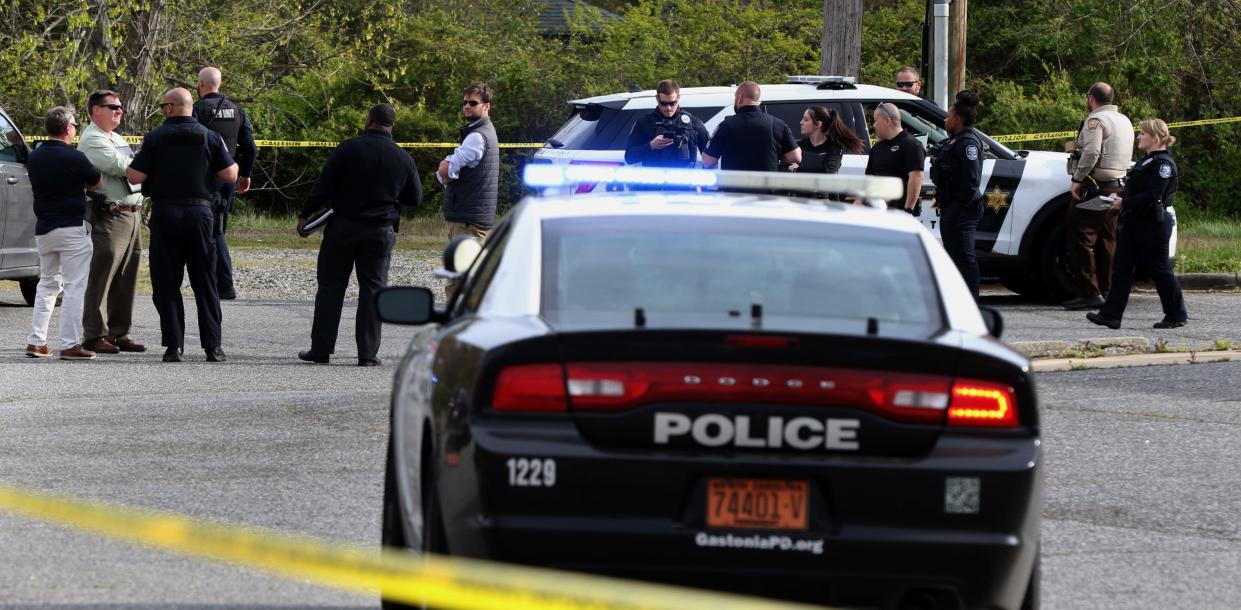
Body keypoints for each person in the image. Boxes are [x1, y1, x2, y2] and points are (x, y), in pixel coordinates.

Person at [297, 104, 422, 366]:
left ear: (370, 120)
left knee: (331, 287)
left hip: (342, 227)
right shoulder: (403, 158)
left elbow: (324, 186)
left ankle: (321, 349)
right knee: (373, 290)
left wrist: (305, 214)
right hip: (380, 230)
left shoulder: (347, 149)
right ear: (391, 126)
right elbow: (415, 197)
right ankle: (367, 353)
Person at [126, 88, 238, 363]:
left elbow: (135, 174)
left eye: (163, 105)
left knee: (167, 282)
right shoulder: (210, 136)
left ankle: (174, 345)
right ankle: (213, 347)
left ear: (170, 108)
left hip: (166, 213)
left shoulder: (154, 138)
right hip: (200, 214)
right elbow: (229, 173)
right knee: (205, 281)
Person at [1087, 119, 1187, 330]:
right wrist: (1118, 197)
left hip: (1153, 223)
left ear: (1155, 137)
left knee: (1159, 269)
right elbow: (1137, 190)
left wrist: (1125, 202)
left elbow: (1154, 195)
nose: (1139, 137)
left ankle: (1176, 315)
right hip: (1134, 221)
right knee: (1121, 268)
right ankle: (1111, 315)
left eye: (1143, 134)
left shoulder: (1163, 165)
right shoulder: (1145, 162)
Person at [24, 106, 103, 360]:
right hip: (70, 227)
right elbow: (97, 182)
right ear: (68, 129)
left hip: (44, 228)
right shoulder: (74, 157)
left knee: (47, 284)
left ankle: (37, 341)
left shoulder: (34, 157)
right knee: (74, 287)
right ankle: (70, 344)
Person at [78, 89, 146, 355]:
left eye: (120, 107)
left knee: (126, 276)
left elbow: (134, 167)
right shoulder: (92, 138)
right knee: (102, 275)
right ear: (96, 110)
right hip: (110, 214)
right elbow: (124, 167)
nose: (119, 111)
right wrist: (144, 162)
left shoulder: (115, 137)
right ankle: (94, 334)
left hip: (132, 213)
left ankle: (120, 332)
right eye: (113, 107)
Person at [1063, 82, 1134, 310]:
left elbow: (1092, 152)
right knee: (1107, 239)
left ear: (1091, 98)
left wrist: (1077, 179)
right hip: (1118, 187)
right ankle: (1107, 288)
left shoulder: (1096, 121)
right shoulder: (1124, 120)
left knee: (1079, 234)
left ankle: (1090, 292)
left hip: (1097, 186)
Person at [193, 67, 256, 301]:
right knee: (218, 227)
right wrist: (245, 175)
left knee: (213, 232)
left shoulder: (196, 110)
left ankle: (222, 283)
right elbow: (249, 147)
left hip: (202, 179)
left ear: (200, 84)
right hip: (228, 178)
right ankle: (219, 282)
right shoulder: (237, 110)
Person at [437, 83, 498, 297]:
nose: (467, 106)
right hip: (474, 218)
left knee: (458, 283)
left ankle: (459, 327)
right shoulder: (484, 132)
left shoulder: (476, 136)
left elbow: (446, 171)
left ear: (486, 106)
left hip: (467, 221)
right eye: (465, 102)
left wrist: (445, 168)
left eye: (473, 103)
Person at [931, 91, 985, 298]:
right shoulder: (955, 141)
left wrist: (957, 208)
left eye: (948, 115)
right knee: (955, 258)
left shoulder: (968, 143)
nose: (945, 119)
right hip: (951, 207)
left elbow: (971, 182)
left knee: (965, 257)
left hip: (962, 211)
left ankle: (971, 301)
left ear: (958, 119)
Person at [701, 81, 801, 171]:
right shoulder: (777, 124)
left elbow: (707, 160)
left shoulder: (725, 126)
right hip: (766, 188)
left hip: (734, 188)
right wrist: (776, 156)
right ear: (757, 100)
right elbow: (796, 157)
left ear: (739, 98)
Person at [624, 79, 710, 169]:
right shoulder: (644, 123)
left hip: (684, 180)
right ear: (657, 98)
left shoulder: (694, 123)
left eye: (672, 103)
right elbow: (629, 157)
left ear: (678, 98)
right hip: (654, 180)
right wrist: (651, 145)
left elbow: (710, 158)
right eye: (664, 103)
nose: (668, 108)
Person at [865, 103, 925, 212]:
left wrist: (908, 210)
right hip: (878, 212)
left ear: (887, 121)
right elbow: (869, 180)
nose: (873, 125)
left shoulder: (911, 144)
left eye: (875, 120)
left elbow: (916, 177)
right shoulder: (877, 148)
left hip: (900, 213)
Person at [789, 106, 864, 175]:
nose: (801, 122)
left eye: (806, 119)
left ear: (818, 124)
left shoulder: (834, 148)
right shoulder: (798, 145)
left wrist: (797, 168)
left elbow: (826, 173)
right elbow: (785, 168)